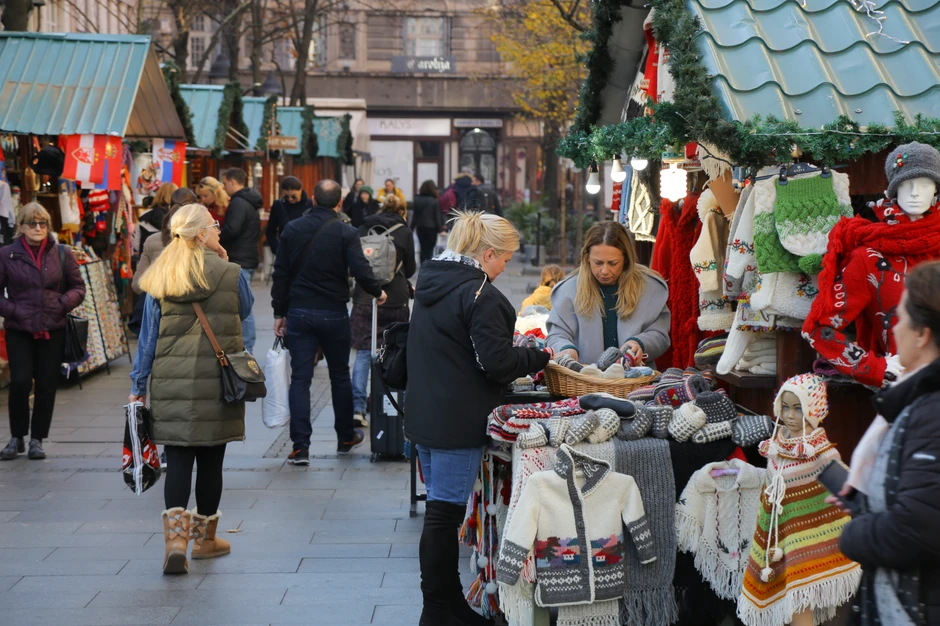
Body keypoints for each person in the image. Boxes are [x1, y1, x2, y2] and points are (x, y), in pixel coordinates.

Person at [405, 211, 551, 626]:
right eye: (505, 258)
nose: (507, 266)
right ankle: (438, 609)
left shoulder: (433, 281)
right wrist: (538, 356)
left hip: (426, 413)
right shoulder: (478, 294)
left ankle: (444, 603)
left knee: (439, 512)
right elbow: (498, 363)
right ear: (487, 253)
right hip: (455, 420)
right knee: (443, 515)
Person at [129, 203, 254, 575]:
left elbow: (147, 340)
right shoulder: (231, 273)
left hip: (171, 382)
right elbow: (245, 311)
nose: (219, 230)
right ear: (201, 234)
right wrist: (224, 260)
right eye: (214, 226)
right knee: (211, 461)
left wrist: (139, 386)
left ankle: (176, 542)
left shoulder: (161, 274)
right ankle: (205, 540)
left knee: (179, 458)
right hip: (218, 382)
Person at [833, 261, 940, 625]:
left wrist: (853, 534)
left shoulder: (932, 411)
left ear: (923, 333)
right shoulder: (920, 402)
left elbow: (921, 527)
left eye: (902, 317)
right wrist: (867, 502)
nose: (895, 327)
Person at [271, 179, 387, 465]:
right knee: (339, 375)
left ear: (312, 199)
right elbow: (361, 268)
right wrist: (378, 291)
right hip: (334, 312)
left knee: (300, 379)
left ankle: (301, 447)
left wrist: (279, 312)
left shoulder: (292, 228)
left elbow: (281, 273)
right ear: (339, 203)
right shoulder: (346, 232)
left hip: (299, 312)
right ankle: (345, 436)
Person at [0, 203, 85, 461]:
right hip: (20, 328)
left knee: (47, 384)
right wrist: (13, 310)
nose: (38, 228)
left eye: (43, 224)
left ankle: (37, 439)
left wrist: (61, 304)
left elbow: (78, 287)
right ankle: (16, 437)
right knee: (20, 381)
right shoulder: (7, 254)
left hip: (52, 327)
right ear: (22, 227)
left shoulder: (61, 252)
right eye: (32, 224)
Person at [546, 220, 670, 366]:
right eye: (598, 263)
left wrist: (640, 344)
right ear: (587, 258)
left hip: (635, 380)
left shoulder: (649, 288)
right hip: (584, 381)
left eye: (613, 263)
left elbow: (660, 334)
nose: (604, 271)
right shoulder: (568, 290)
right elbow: (557, 334)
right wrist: (566, 349)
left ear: (625, 259)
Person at [350, 194, 416, 428]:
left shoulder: (364, 228)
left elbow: (354, 262)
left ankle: (357, 408)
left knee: (363, 352)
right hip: (396, 298)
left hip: (366, 297)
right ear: (402, 212)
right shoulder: (405, 232)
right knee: (393, 352)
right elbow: (409, 269)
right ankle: (386, 402)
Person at [220, 167, 262, 354]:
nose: (223, 187)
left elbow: (232, 229)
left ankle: (247, 345)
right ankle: (246, 344)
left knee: (242, 304)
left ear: (232, 181)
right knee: (243, 301)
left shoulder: (238, 202)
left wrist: (218, 236)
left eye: (224, 183)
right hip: (248, 256)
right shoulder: (249, 201)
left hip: (239, 258)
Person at [132, 188, 198, 295]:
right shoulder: (202, 241)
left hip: (158, 304)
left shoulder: (151, 238)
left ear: (170, 207)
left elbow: (138, 284)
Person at [265, 176, 313, 254]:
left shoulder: (310, 205)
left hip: (306, 252)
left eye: (294, 196)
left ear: (300, 190)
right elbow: (270, 231)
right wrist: (277, 249)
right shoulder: (278, 205)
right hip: (285, 252)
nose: (290, 199)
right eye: (286, 196)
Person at [132, 182, 177, 260]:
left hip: (147, 263)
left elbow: (135, 243)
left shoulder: (144, 216)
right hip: (170, 263)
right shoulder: (178, 217)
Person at [411, 180, 446, 263]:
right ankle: (428, 265)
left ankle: (422, 264)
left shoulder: (417, 199)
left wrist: (410, 228)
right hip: (432, 228)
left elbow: (414, 216)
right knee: (430, 249)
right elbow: (436, 216)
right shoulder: (434, 200)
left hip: (420, 227)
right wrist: (441, 230)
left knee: (422, 248)